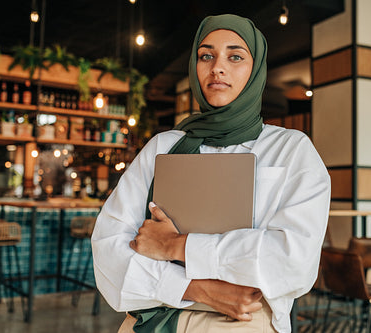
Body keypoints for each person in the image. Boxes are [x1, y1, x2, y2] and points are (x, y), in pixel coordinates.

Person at [91, 14, 331, 333]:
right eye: (206, 55)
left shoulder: (291, 149)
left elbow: (293, 260)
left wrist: (175, 246)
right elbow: (109, 246)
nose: (218, 67)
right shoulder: (163, 146)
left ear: (255, 69)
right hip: (154, 316)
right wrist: (197, 289)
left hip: (245, 320)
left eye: (235, 56)